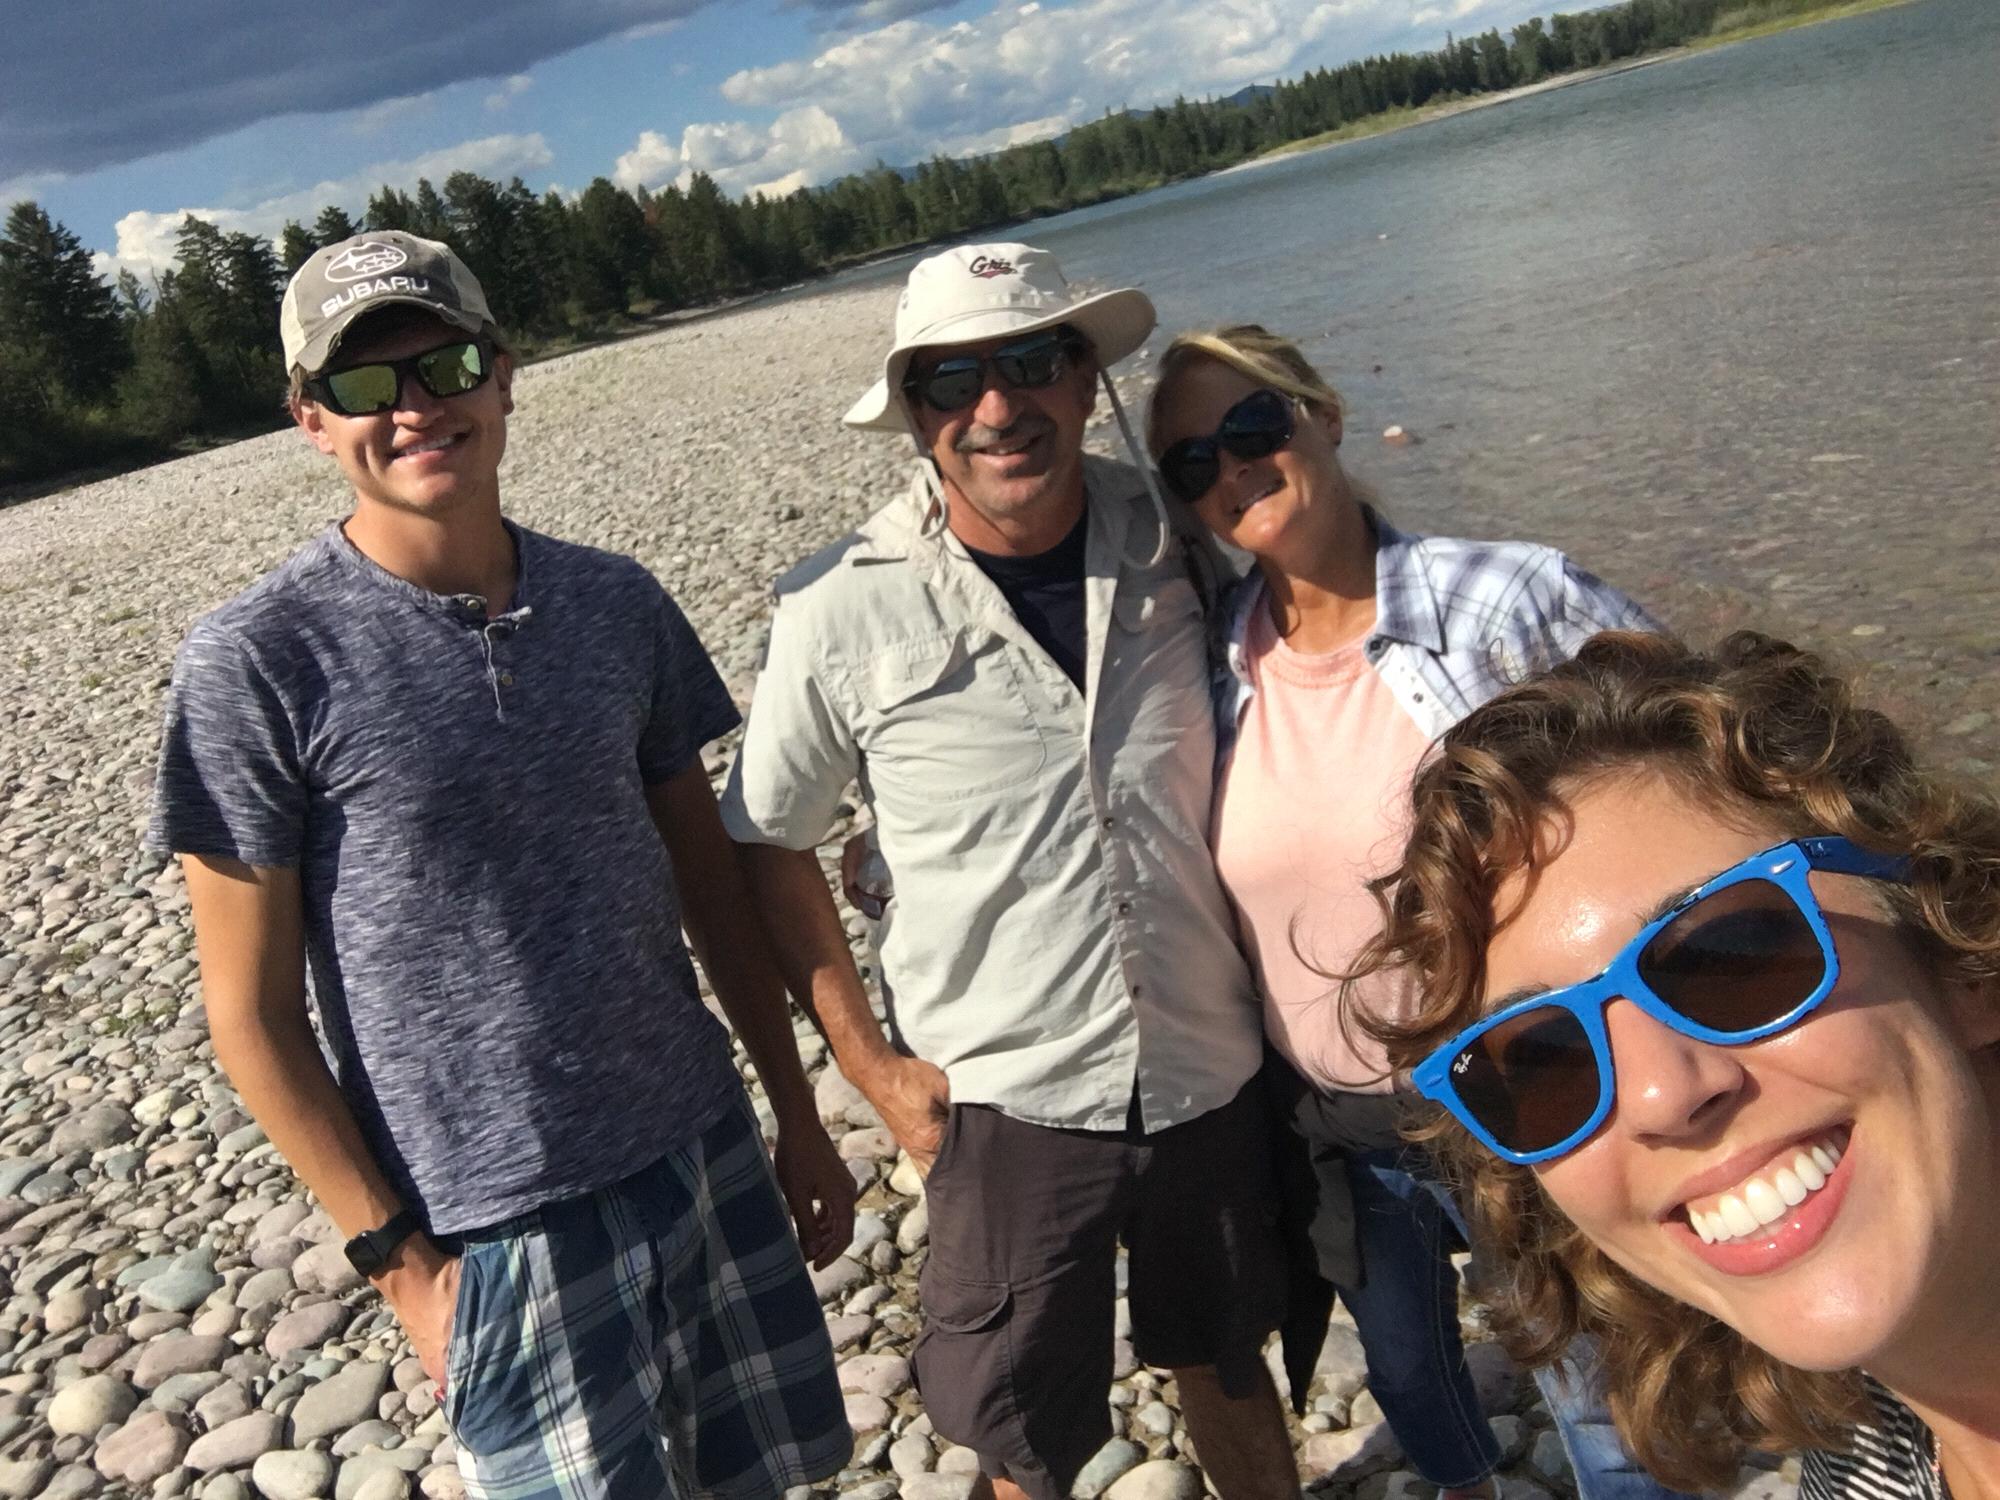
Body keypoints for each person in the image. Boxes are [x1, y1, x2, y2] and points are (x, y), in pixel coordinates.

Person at [146, 231, 853, 1500]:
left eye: (445, 365)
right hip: (495, 1225)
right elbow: (248, 1018)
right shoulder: (255, 664)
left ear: (504, 375)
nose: (415, 408)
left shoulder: (615, 603)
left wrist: (794, 1117)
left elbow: (713, 892)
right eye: (366, 388)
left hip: (700, 1148)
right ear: (312, 420)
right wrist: (403, 1267)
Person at [720, 244, 1299, 1500]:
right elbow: (769, 839)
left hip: (1209, 1057)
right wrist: (870, 1068)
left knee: (1230, 1359)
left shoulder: (1181, 533)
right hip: (1002, 1098)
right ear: (914, 414)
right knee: (1021, 1435)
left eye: (1032, 361)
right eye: (951, 381)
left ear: (1085, 377)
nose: (996, 407)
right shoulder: (836, 607)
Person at [1144, 325, 1685, 1500]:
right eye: (1191, 463)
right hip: (1336, 1119)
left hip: (1513, 1092)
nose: (1230, 470)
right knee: (1402, 1366)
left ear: (1322, 417)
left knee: (1592, 1389)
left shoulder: (1506, 599)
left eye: (1251, 430)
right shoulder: (1208, 666)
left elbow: (1703, 747)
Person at [1355, 629, 2000, 1500]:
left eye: (1731, 956)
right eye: (1546, 1062)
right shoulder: (1866, 1460)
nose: (1663, 1093)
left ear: (1960, 960)